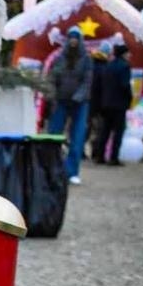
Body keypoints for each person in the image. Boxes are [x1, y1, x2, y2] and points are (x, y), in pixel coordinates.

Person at [47, 26, 92, 185]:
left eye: (76, 37)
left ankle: (72, 171)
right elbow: (52, 78)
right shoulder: (59, 58)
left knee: (77, 136)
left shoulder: (86, 59)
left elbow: (87, 81)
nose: (73, 40)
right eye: (71, 37)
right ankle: (51, 168)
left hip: (79, 104)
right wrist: (52, 95)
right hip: (61, 101)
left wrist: (78, 97)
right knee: (53, 134)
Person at [93, 43, 132, 166]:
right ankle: (114, 157)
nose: (130, 55)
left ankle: (100, 156)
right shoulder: (125, 67)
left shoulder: (108, 66)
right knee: (118, 131)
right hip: (119, 104)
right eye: (128, 53)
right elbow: (125, 85)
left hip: (106, 103)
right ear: (124, 54)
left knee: (105, 130)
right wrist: (129, 97)